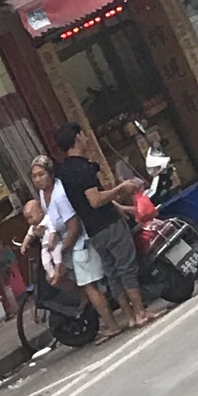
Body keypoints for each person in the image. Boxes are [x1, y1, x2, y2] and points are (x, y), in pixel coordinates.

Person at [52, 120, 153, 331]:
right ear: (77, 138)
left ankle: (130, 316)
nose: (86, 138)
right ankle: (141, 313)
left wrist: (117, 205)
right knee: (126, 267)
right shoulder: (83, 168)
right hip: (108, 224)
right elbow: (95, 200)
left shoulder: (64, 172)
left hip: (93, 231)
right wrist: (121, 189)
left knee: (113, 273)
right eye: (82, 135)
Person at [25, 153, 122, 342]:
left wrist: (62, 251)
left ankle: (112, 326)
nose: (38, 179)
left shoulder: (60, 195)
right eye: (34, 176)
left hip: (78, 243)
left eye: (41, 174)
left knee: (88, 286)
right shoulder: (43, 195)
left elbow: (74, 226)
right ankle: (90, 304)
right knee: (55, 278)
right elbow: (50, 220)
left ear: (50, 174)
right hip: (64, 243)